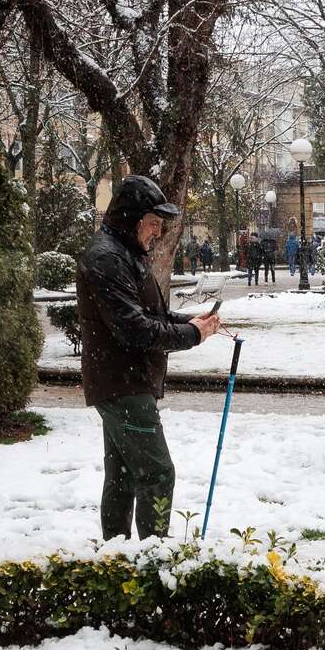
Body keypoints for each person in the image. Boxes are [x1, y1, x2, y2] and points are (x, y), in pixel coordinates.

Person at [77, 175, 222, 540]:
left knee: (123, 475)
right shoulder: (107, 258)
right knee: (157, 473)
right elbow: (135, 330)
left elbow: (148, 313)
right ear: (132, 218)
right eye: (154, 224)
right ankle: (153, 561)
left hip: (123, 382)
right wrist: (192, 335)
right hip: (123, 385)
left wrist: (189, 321)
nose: (157, 233)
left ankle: (118, 557)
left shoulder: (123, 252)